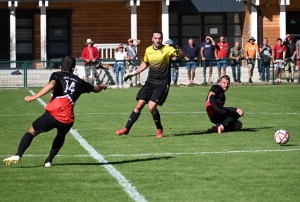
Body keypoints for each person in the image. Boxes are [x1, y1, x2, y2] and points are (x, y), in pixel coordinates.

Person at [3, 56, 107, 167]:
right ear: (73, 69)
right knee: (60, 136)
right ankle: (49, 161)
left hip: (52, 115)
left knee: (31, 131)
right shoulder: (79, 81)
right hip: (67, 119)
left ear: (61, 66)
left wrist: (34, 97)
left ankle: (18, 154)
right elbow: (96, 89)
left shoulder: (57, 75)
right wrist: (102, 86)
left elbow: (51, 85)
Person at [115, 30, 185, 138]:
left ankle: (159, 129)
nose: (157, 40)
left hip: (162, 83)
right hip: (150, 82)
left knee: (151, 107)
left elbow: (182, 54)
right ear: (152, 39)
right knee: (139, 105)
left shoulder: (168, 49)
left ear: (162, 39)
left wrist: (175, 45)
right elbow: (145, 64)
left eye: (159, 38)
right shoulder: (148, 50)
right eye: (155, 38)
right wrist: (132, 73)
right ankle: (126, 128)